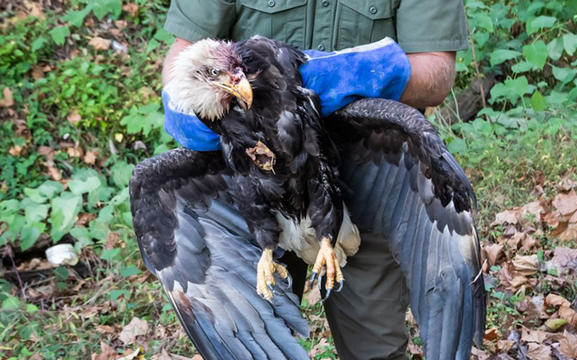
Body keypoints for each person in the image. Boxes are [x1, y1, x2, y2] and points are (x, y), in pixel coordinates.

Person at [160, 1, 468, 359]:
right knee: (248, 342)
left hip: (364, 175)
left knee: (376, 351)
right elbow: (184, 52)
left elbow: (437, 71)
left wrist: (360, 74)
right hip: (252, 181)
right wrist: (191, 104)